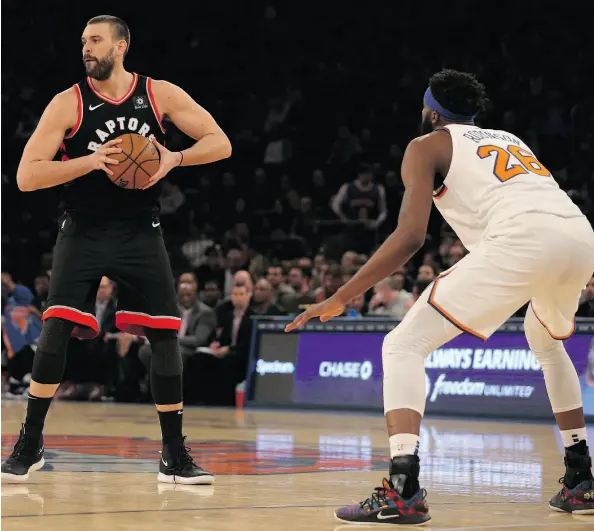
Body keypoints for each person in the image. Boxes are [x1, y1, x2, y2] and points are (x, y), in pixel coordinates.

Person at [286, 69, 594, 525]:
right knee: (546, 342)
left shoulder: (424, 146)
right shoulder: (508, 138)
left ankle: (404, 487)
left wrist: (341, 296)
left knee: (403, 344)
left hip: (524, 238)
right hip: (579, 234)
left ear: (431, 112)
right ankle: (581, 478)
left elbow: (410, 237)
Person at [2, 15, 231, 484]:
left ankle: (173, 454)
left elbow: (220, 142)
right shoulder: (68, 103)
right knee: (56, 329)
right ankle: (30, 440)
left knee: (165, 334)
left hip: (140, 229)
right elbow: (26, 176)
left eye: (95, 40)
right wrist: (89, 161)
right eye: (83, 41)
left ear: (121, 46)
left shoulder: (158, 94)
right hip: (82, 228)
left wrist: (175, 158)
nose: (86, 48)